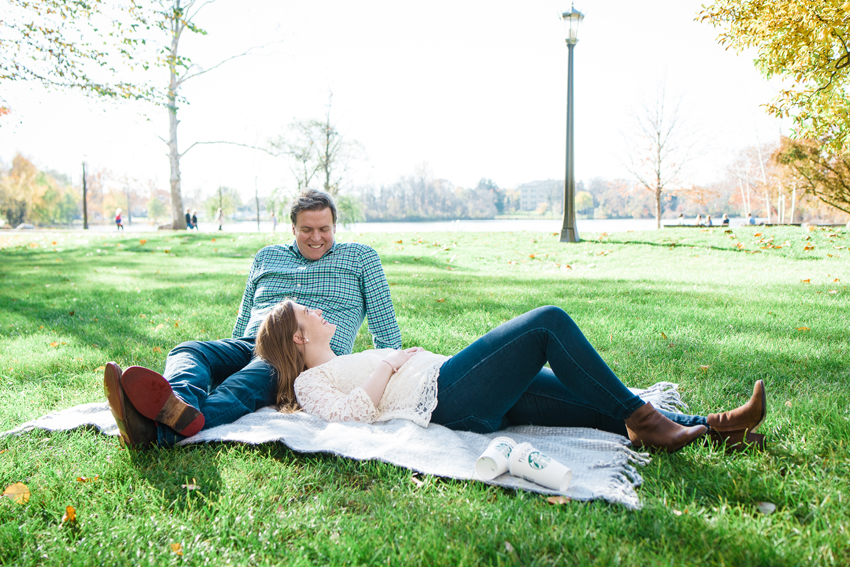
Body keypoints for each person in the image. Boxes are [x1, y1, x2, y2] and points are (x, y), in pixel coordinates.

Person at [253, 301, 767, 454]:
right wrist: (389, 364)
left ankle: (716, 428)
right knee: (546, 323)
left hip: (455, 387)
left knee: (595, 403)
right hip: (447, 399)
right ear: (298, 338)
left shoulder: (343, 356)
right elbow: (352, 416)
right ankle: (647, 420)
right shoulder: (309, 384)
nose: (319, 312)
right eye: (308, 313)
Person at [104, 189, 402, 448]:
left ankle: (158, 433)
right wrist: (225, 360)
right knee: (188, 350)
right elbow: (245, 315)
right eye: (306, 229)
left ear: (335, 225)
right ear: (293, 228)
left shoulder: (361, 258)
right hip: (251, 341)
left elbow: (385, 327)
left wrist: (388, 370)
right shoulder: (266, 257)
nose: (316, 237)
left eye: (324, 229)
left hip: (302, 352)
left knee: (245, 382)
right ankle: (178, 406)